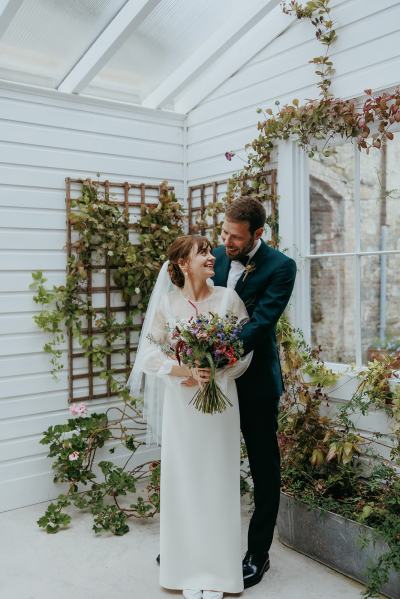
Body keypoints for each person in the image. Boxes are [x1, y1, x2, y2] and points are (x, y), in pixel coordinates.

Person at [128, 235, 253, 599]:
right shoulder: (167, 304)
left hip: (220, 404)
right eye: (202, 252)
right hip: (181, 408)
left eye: (210, 251)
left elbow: (244, 350)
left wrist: (217, 372)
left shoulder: (228, 299)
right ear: (183, 263)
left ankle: (218, 573)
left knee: (218, 479)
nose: (211, 256)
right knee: (184, 482)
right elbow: (148, 354)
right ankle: (183, 571)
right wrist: (185, 371)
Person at [211, 197, 297, 589]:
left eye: (235, 237)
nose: (226, 241)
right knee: (210, 461)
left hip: (256, 382)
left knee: (264, 468)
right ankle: (201, 545)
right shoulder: (215, 254)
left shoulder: (281, 267)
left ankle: (257, 554)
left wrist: (215, 353)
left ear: (257, 234)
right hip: (211, 381)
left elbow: (261, 323)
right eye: (224, 232)